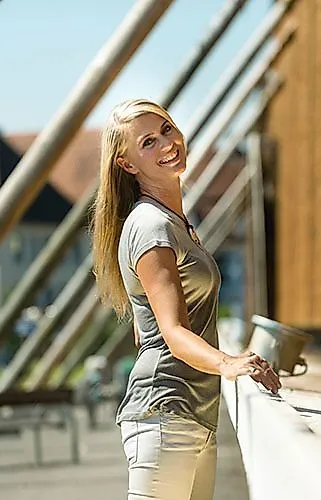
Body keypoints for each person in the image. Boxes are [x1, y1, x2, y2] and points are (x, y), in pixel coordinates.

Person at [90, 98, 281, 500]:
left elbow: (148, 335)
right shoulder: (151, 227)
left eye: (166, 129)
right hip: (165, 417)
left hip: (193, 415)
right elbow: (173, 334)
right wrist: (229, 362)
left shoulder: (174, 223)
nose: (166, 143)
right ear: (127, 165)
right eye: (148, 142)